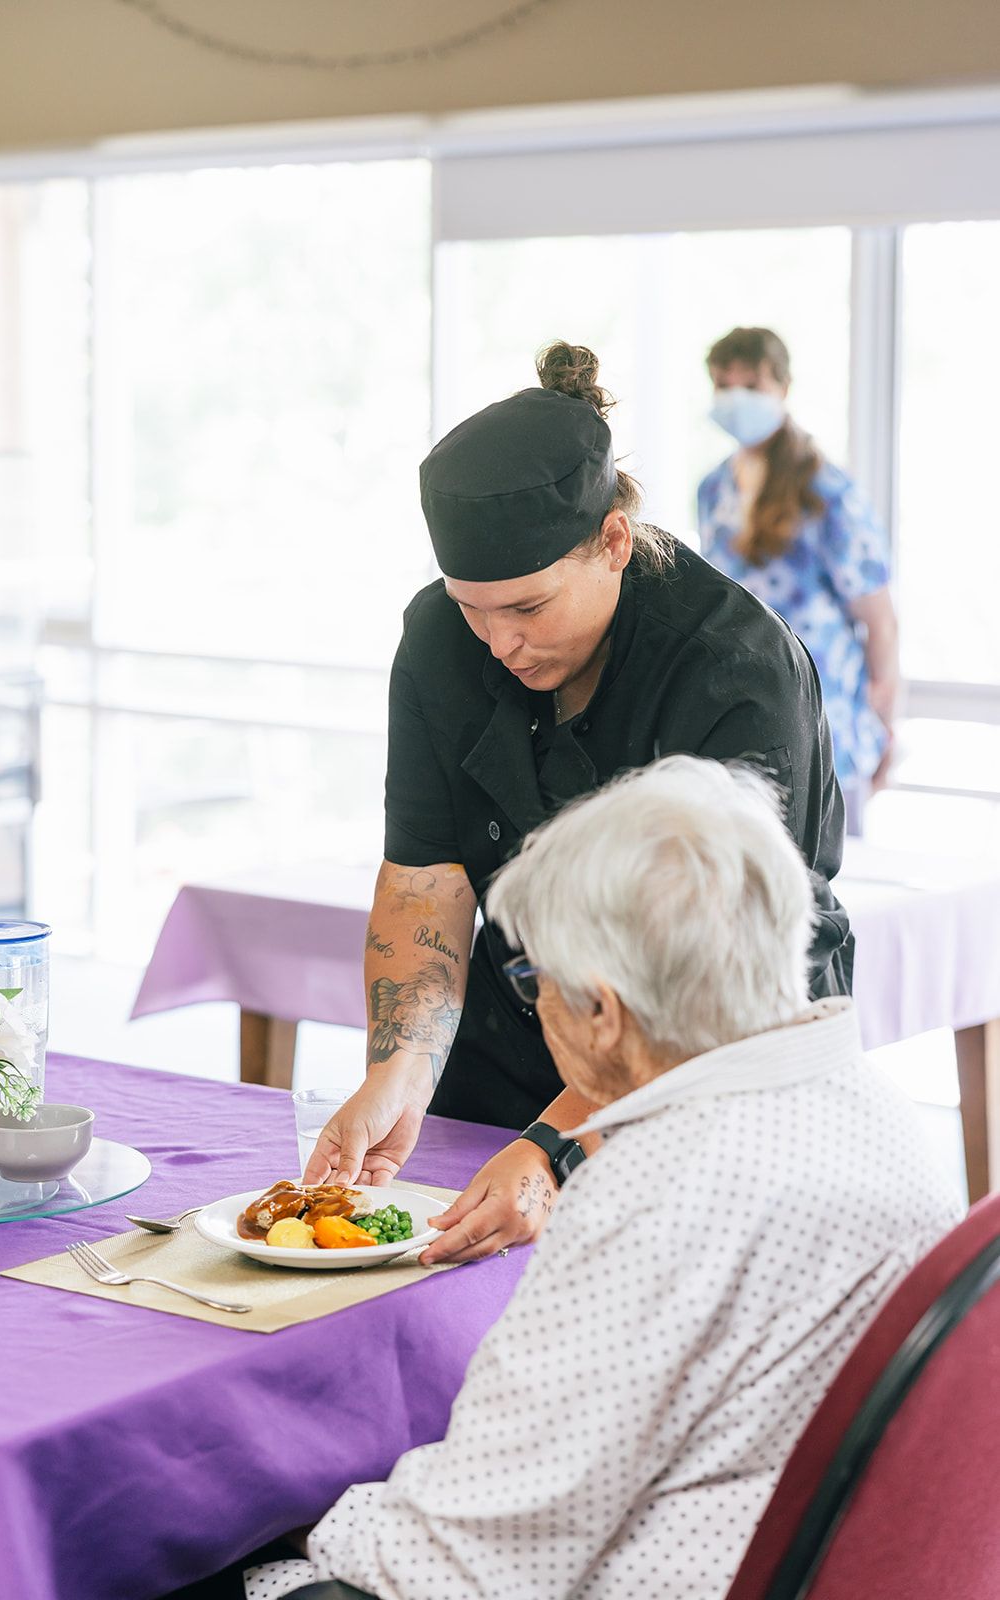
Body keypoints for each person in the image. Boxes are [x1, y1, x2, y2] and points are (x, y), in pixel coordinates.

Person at [249, 757, 960, 1600]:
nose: (535, 1003)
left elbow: (466, 1559)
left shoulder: (657, 1186)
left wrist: (291, 1516)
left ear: (602, 1012)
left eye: (531, 980)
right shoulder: (871, 1105)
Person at [304, 341, 853, 1267]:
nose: (497, 643)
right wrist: (398, 1072)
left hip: (720, 1050)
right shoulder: (442, 642)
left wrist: (557, 1147)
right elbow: (424, 879)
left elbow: (701, 977)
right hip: (526, 1024)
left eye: (526, 607)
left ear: (611, 542)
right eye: (472, 609)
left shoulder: (733, 667)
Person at [698, 325, 900, 833]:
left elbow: (879, 620)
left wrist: (884, 723)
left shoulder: (828, 494)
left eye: (751, 385)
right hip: (743, 716)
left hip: (827, 721)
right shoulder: (713, 490)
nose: (735, 398)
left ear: (783, 388)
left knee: (834, 891)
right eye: (724, 385)